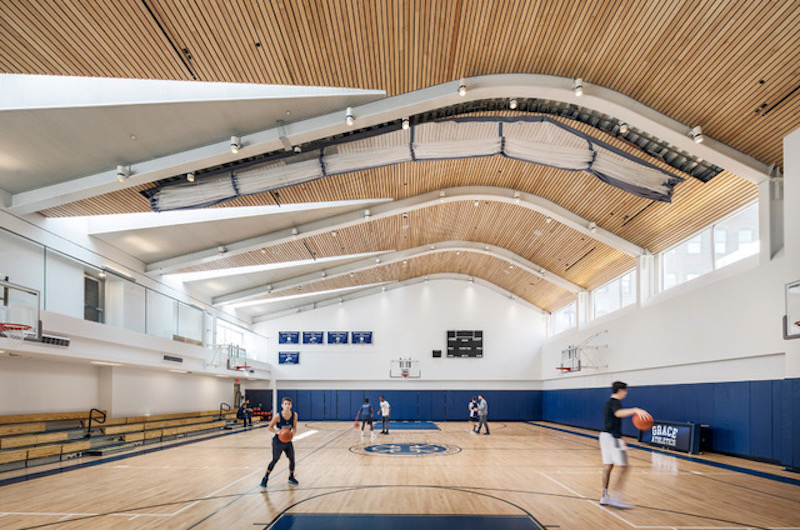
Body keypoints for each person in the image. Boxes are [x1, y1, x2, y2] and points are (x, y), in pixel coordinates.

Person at [600, 381, 651, 508]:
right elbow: (618, 413)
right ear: (621, 390)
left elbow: (612, 422)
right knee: (625, 467)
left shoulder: (608, 403)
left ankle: (604, 496)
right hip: (612, 438)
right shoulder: (616, 403)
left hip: (605, 436)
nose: (626, 393)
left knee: (608, 466)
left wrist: (621, 437)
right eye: (626, 391)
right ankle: (616, 497)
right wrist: (635, 410)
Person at [259, 397, 298, 490]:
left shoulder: (294, 415)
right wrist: (279, 433)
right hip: (278, 441)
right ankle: (265, 478)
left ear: (291, 405)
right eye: (285, 404)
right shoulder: (278, 416)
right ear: (282, 405)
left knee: (292, 459)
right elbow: (269, 427)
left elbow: (295, 427)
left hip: (288, 440)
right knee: (275, 459)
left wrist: (292, 433)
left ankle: (291, 477)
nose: (287, 405)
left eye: (289, 404)